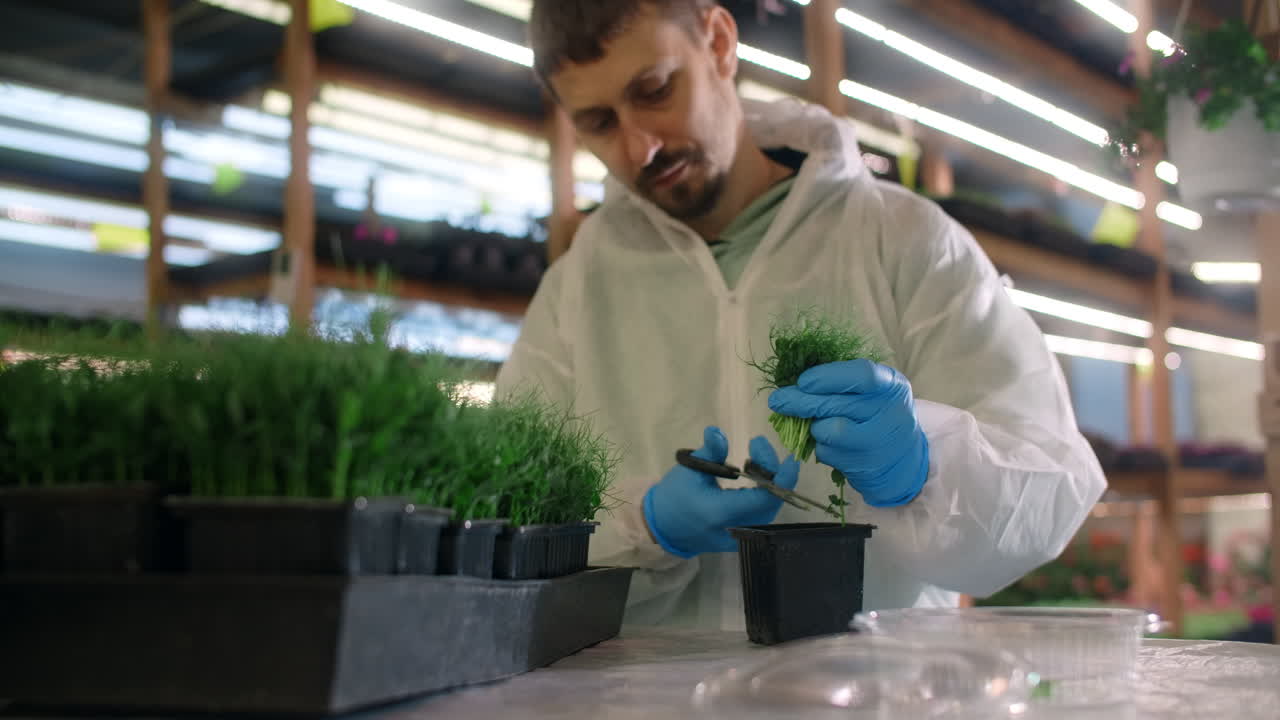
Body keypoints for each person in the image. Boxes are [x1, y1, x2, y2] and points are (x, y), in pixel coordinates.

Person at [495, 0, 1108, 629]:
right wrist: (643, 529)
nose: (639, 146)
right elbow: (508, 519)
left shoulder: (904, 241)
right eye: (598, 122)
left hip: (875, 696)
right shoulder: (578, 290)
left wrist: (927, 465)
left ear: (719, 41)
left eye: (654, 91)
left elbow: (1052, 487)